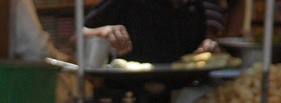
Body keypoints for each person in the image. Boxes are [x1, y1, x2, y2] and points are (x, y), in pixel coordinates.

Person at [84, 0, 221, 63]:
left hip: (183, 94)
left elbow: (199, 49)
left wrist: (209, 48)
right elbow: (77, 36)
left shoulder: (194, 6)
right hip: (130, 94)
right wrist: (102, 32)